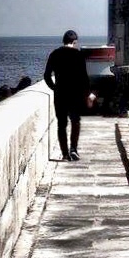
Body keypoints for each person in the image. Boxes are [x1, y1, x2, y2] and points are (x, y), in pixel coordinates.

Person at [44, 30, 90, 161]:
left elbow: (47, 76)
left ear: (63, 41)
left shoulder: (54, 54)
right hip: (75, 95)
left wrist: (55, 88)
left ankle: (64, 154)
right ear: (75, 42)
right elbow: (84, 78)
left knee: (61, 124)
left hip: (60, 95)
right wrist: (87, 94)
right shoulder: (79, 55)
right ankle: (73, 149)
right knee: (75, 121)